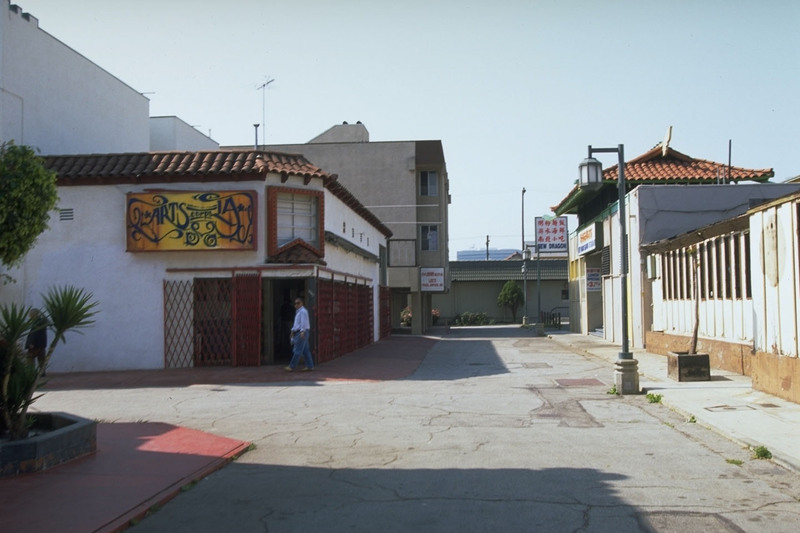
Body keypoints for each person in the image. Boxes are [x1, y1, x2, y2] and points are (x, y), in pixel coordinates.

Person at [285, 297, 314, 372]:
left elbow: (303, 322)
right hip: (300, 331)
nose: (296, 305)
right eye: (295, 303)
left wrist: (302, 331)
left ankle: (292, 366)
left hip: (301, 332)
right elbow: (297, 323)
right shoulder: (298, 312)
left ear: (301, 303)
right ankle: (310, 366)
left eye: (298, 303)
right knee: (305, 350)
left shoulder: (303, 311)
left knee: (297, 350)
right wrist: (292, 331)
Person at [26, 308, 48, 376]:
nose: (29, 316)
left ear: (34, 315)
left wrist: (31, 343)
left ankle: (31, 373)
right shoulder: (42, 322)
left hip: (35, 345)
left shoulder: (37, 323)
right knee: (41, 359)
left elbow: (34, 334)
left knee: (30, 359)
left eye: (30, 315)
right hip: (41, 345)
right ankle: (42, 372)